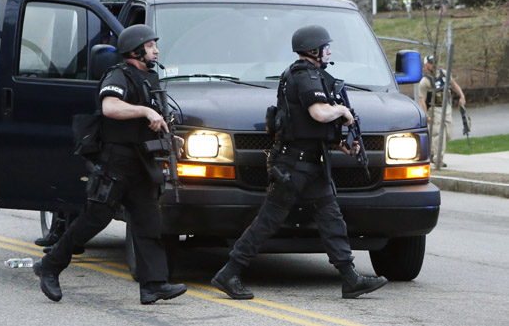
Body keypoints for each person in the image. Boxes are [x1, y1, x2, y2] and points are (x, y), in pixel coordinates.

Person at [211, 25, 388, 300]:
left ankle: (349, 278)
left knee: (331, 218)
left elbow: (307, 125)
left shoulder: (313, 75)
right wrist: (342, 111)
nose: (329, 51)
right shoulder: (303, 74)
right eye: (325, 46)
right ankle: (230, 272)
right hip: (294, 165)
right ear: (313, 50)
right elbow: (318, 113)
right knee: (268, 220)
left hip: (311, 162)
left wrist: (339, 142)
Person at [33, 24, 187, 304]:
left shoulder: (149, 77)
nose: (156, 50)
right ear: (136, 50)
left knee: (148, 221)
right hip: (115, 163)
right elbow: (110, 107)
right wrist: (144, 110)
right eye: (151, 46)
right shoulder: (118, 75)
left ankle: (153, 284)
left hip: (142, 163)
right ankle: (49, 266)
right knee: (95, 219)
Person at [418, 55, 466, 167]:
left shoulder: (444, 74)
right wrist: (426, 115)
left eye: (434, 62)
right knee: (438, 134)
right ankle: (438, 159)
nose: (433, 64)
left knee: (448, 133)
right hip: (434, 109)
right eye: (430, 63)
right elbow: (422, 100)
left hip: (446, 107)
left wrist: (461, 96)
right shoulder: (425, 82)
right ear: (426, 65)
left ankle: (432, 152)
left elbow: (454, 85)